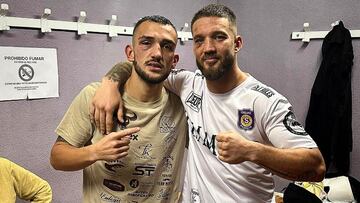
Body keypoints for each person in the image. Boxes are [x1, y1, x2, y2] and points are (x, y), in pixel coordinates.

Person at [90, 4, 326, 202]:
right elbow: (147, 68)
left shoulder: (264, 101)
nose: (208, 48)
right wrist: (109, 84)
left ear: (237, 43)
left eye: (219, 37)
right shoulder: (187, 83)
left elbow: (315, 167)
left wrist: (252, 151)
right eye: (199, 40)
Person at [50, 15, 187, 203]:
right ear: (130, 53)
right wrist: (95, 152)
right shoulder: (94, 97)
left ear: (174, 60)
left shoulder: (183, 104)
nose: (157, 53)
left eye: (167, 46)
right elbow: (57, 157)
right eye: (146, 43)